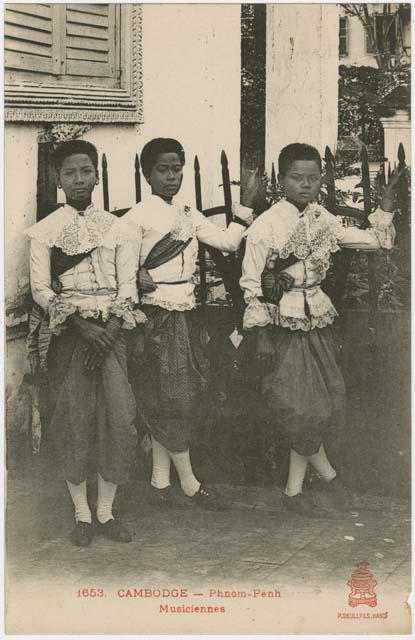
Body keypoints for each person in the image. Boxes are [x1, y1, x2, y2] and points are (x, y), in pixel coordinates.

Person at [239, 143, 402, 517]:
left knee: (324, 401)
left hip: (318, 321)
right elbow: (250, 282)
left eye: (313, 178)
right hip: (283, 323)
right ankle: (328, 477)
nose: (306, 185)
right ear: (282, 180)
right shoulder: (266, 226)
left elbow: (373, 241)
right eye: (297, 177)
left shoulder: (322, 218)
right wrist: (261, 332)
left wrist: (386, 207)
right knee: (300, 406)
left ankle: (294, 492)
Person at [25, 139, 145, 546]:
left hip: (111, 337)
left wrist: (108, 332)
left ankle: (107, 514)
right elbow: (41, 289)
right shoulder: (44, 232)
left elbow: (128, 289)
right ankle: (82, 515)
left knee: (118, 420)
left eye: (86, 171)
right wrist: (81, 325)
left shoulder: (121, 229)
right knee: (74, 420)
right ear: (58, 180)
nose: (79, 180)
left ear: (97, 174)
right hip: (71, 337)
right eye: (70, 173)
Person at [123, 137, 253, 509]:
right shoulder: (137, 217)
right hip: (156, 313)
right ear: (147, 174)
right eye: (162, 170)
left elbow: (228, 243)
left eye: (176, 169)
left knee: (177, 396)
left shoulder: (188, 212)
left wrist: (244, 211)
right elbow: (121, 265)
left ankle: (160, 482)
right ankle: (191, 483)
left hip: (186, 310)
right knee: (173, 397)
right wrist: (136, 274)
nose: (171, 176)